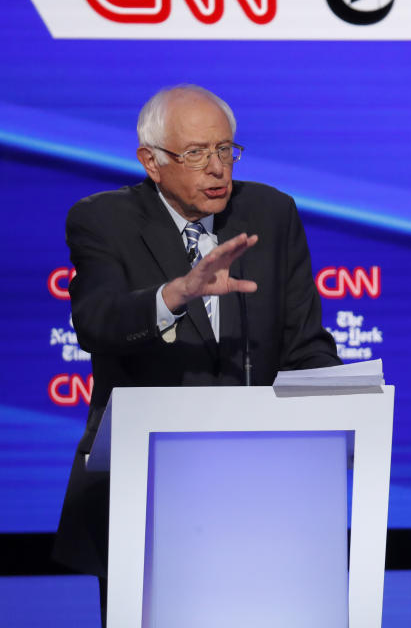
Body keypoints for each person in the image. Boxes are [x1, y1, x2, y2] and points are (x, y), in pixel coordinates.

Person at [52, 85, 342, 623]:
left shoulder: (271, 213)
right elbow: (96, 322)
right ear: (151, 162)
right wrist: (176, 295)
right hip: (147, 490)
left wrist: (343, 412)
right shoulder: (102, 220)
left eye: (225, 150)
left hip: (264, 489)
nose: (217, 169)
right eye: (195, 154)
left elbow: (305, 345)